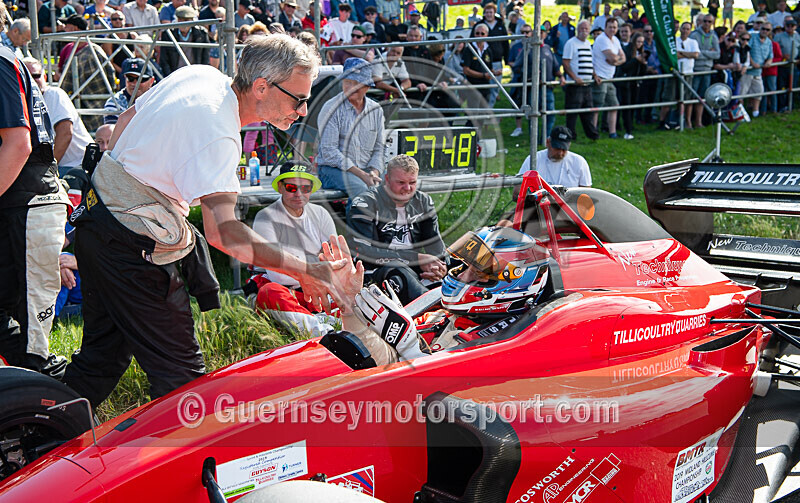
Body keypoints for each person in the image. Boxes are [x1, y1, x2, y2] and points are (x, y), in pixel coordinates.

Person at [61, 35, 349, 408]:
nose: (303, 110)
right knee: (184, 386)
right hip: (132, 245)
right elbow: (224, 233)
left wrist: (122, 186)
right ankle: (158, 460)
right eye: (299, 99)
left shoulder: (201, 75)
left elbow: (127, 119)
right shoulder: (220, 134)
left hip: (100, 222)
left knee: (101, 360)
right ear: (261, 87)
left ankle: (36, 435)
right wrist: (306, 270)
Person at [329, 225, 550, 364]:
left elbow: (444, 397)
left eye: (478, 273)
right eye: (464, 266)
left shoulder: (506, 345)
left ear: (514, 283)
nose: (462, 275)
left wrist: (411, 349)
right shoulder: (441, 316)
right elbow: (378, 365)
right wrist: (349, 305)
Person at [0, 3, 71, 378]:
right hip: (18, 203)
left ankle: (59, 417)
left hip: (28, 203)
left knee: (34, 348)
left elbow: (18, 144)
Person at [246, 163, 337, 336]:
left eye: (305, 188)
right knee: (270, 293)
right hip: (283, 290)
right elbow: (277, 274)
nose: (299, 194)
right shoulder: (266, 218)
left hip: (316, 290)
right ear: (280, 187)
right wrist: (316, 262)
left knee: (353, 290)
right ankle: (325, 332)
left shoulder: (320, 214)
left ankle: (314, 320)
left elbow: (336, 260)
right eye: (291, 188)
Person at [347, 155, 447, 305]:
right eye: (401, 183)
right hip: (376, 271)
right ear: (387, 179)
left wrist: (440, 266)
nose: (407, 189)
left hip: (414, 266)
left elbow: (435, 243)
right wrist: (416, 258)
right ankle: (435, 308)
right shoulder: (364, 204)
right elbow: (364, 253)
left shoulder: (423, 201)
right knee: (398, 269)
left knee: (459, 261)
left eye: (412, 182)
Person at [317, 58, 384, 201]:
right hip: (332, 170)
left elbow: (379, 148)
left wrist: (373, 172)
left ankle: (388, 223)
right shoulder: (331, 108)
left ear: (367, 86)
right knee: (361, 190)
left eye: (356, 83)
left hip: (366, 169)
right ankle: (357, 223)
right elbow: (329, 152)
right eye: (347, 82)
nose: (351, 87)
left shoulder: (376, 109)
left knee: (392, 186)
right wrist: (362, 175)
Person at [23, 58, 92, 175]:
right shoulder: (24, 102)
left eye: (36, 76)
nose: (32, 81)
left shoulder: (54, 94)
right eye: (27, 77)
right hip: (60, 166)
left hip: (76, 166)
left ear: (44, 78)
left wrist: (47, 171)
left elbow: (65, 134)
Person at [59, 18, 115, 132]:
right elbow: (111, 73)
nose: (64, 29)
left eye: (67, 26)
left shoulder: (90, 51)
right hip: (90, 103)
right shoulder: (77, 49)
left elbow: (65, 84)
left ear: (75, 29)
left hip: (93, 104)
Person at [517, 126, 591, 188]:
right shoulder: (533, 160)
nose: (560, 153)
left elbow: (586, 195)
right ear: (548, 142)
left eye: (564, 149)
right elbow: (517, 192)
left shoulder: (579, 162)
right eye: (557, 148)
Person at [562, 20, 600, 141]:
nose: (584, 31)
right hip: (575, 85)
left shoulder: (589, 44)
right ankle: (571, 135)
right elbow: (566, 63)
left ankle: (592, 135)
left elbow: (590, 62)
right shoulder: (571, 43)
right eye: (582, 29)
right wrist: (574, 78)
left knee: (588, 111)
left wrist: (595, 75)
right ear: (578, 30)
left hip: (587, 84)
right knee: (573, 112)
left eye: (586, 29)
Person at [592, 17, 625, 138]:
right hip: (600, 77)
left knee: (614, 105)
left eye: (615, 27)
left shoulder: (615, 40)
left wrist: (616, 61)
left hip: (610, 77)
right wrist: (616, 59)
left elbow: (622, 57)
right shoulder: (602, 39)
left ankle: (613, 132)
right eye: (610, 27)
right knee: (597, 106)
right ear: (605, 27)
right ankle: (593, 132)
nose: (612, 29)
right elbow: (613, 57)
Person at [473, 3, 508, 107]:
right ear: (484, 13)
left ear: (494, 13)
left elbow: (505, 43)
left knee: (495, 87)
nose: (489, 14)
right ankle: (481, 110)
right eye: (487, 12)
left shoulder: (500, 25)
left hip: (497, 61)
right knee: (482, 87)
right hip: (482, 61)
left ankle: (489, 110)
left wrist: (507, 59)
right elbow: (472, 41)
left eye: (491, 12)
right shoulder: (479, 26)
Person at [159, 5, 211, 75]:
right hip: (175, 73)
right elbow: (164, 60)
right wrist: (170, 77)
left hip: (194, 73)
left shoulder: (202, 34)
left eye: (186, 20)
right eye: (180, 19)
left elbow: (205, 59)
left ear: (192, 20)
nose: (183, 23)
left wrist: (200, 74)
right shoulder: (168, 34)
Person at [689, 14, 720, 127]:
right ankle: (688, 121)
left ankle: (699, 121)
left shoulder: (714, 36)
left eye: (709, 22)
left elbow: (717, 54)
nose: (707, 24)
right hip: (696, 69)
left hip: (707, 70)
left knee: (703, 96)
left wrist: (702, 52)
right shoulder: (694, 35)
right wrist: (708, 52)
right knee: (692, 96)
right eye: (705, 21)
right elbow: (694, 54)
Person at [104, 57, 155, 124]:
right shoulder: (115, 102)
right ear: (125, 78)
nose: (135, 83)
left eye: (141, 79)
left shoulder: (158, 99)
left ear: (151, 81)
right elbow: (112, 132)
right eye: (130, 78)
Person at [617, 32, 647, 139]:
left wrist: (644, 63)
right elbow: (624, 67)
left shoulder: (641, 52)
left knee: (633, 105)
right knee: (627, 106)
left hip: (636, 84)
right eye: (638, 41)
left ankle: (630, 126)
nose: (640, 44)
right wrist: (635, 60)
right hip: (626, 83)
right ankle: (627, 130)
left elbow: (642, 72)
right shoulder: (628, 50)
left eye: (642, 42)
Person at [672, 21, 699, 128]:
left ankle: (688, 121)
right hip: (677, 73)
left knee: (688, 98)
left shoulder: (693, 42)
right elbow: (675, 55)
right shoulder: (675, 41)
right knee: (677, 98)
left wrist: (682, 53)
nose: (685, 31)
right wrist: (688, 55)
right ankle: (676, 120)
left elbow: (695, 55)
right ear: (680, 29)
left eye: (688, 29)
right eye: (683, 28)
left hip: (688, 73)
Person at [744, 20, 773, 116]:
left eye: (767, 30)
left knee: (759, 91)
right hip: (748, 70)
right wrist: (752, 62)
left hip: (758, 71)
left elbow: (770, 55)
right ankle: (740, 113)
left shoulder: (769, 42)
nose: (765, 31)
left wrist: (768, 62)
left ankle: (755, 112)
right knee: (742, 92)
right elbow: (746, 50)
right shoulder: (752, 37)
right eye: (763, 29)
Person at [775, 17, 799, 111]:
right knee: (781, 86)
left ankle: (791, 105)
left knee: (792, 86)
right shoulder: (779, 36)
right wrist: (782, 55)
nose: (790, 27)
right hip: (782, 65)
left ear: (795, 27)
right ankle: (781, 106)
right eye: (788, 26)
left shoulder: (798, 37)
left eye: (792, 26)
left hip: (794, 65)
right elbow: (775, 49)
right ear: (785, 26)